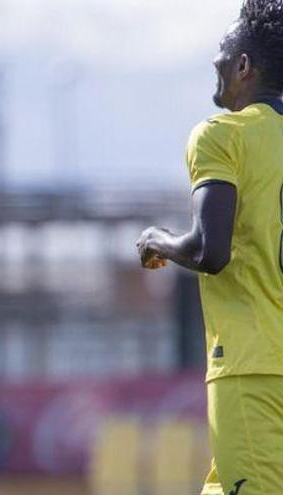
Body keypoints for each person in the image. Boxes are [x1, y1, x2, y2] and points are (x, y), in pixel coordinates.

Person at [136, 1, 283, 493]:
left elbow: (208, 251)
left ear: (244, 66)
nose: (215, 62)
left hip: (256, 363)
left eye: (224, 52)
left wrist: (155, 239)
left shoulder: (222, 136)